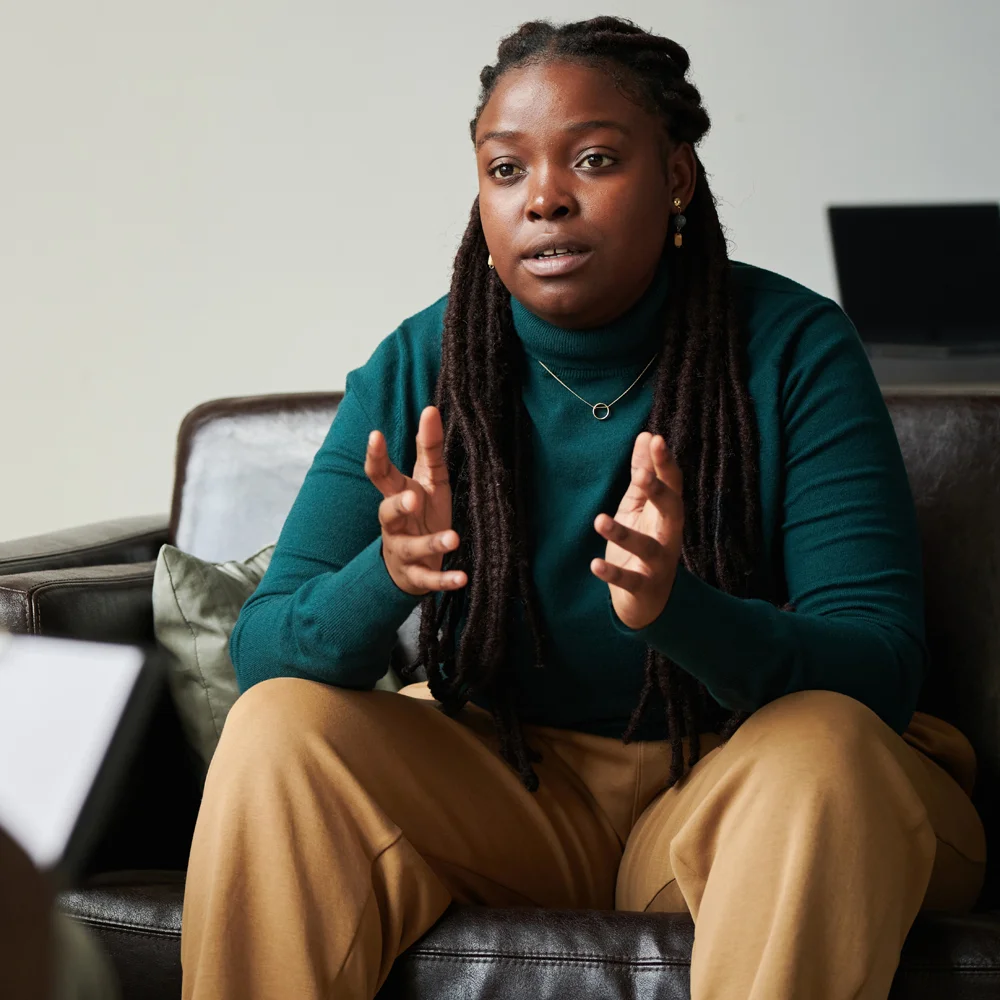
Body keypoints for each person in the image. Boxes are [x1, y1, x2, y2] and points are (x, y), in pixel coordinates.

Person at [181, 16, 986, 1000]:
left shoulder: (793, 348)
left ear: (676, 177)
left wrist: (678, 610)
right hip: (510, 793)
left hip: (741, 785)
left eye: (594, 158)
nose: (545, 199)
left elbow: (880, 668)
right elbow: (264, 648)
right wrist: (381, 577)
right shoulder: (424, 361)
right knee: (278, 729)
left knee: (823, 749)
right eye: (505, 170)